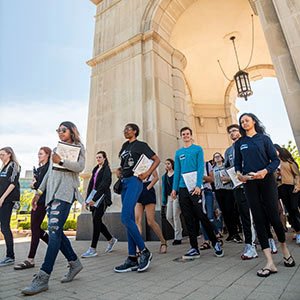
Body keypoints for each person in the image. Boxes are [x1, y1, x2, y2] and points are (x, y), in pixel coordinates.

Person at [22, 121, 85, 295]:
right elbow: (49, 173)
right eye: (58, 130)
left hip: (65, 194)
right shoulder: (55, 150)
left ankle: (43, 277)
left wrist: (62, 161)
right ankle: (74, 262)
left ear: (71, 131)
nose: (60, 132)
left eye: (63, 130)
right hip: (51, 196)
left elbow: (80, 167)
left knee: (54, 232)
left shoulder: (79, 146)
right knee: (56, 232)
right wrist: (38, 193)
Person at [235, 113, 295, 277]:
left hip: (267, 181)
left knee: (274, 217)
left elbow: (275, 161)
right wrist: (240, 175)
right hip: (250, 183)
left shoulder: (264, 139)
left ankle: (284, 249)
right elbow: (237, 166)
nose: (244, 122)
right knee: (259, 220)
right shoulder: (240, 143)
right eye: (242, 121)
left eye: (247, 120)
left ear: (253, 121)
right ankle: (269, 262)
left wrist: (264, 171)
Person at [171, 127, 224, 259]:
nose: (186, 136)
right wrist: (174, 189)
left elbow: (200, 167)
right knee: (188, 218)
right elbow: (177, 171)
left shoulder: (198, 149)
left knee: (201, 215)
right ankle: (194, 248)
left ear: (191, 135)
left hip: (195, 188)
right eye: (183, 134)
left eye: (188, 134)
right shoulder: (179, 153)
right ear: (181, 136)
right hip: (183, 188)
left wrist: (198, 185)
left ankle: (215, 242)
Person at [114, 123, 160, 273]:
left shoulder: (141, 145)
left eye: (128, 129)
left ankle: (144, 251)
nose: (125, 131)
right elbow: (124, 164)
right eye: (124, 129)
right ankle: (132, 258)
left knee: (125, 218)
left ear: (135, 131)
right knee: (129, 219)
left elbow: (156, 160)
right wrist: (119, 171)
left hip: (135, 181)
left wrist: (147, 174)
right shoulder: (124, 146)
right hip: (124, 182)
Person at [14, 147, 51, 270]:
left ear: (47, 155)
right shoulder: (40, 169)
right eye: (38, 153)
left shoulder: (49, 169)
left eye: (41, 154)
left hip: (44, 201)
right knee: (35, 228)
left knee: (35, 228)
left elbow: (44, 185)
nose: (38, 155)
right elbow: (37, 185)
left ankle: (30, 259)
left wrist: (35, 184)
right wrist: (33, 184)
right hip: (37, 200)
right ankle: (55, 246)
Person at [224, 124, 257, 259]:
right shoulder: (228, 151)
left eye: (235, 131)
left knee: (258, 214)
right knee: (245, 216)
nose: (232, 133)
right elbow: (228, 168)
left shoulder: (248, 143)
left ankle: (269, 239)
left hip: (252, 183)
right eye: (230, 132)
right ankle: (250, 245)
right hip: (238, 186)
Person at [81, 151, 117, 258]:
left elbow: (104, 185)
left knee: (96, 220)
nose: (98, 159)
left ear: (105, 158)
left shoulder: (107, 170)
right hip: (93, 197)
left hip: (102, 198)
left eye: (100, 157)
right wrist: (88, 199)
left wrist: (95, 199)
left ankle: (93, 249)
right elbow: (91, 185)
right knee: (97, 221)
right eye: (97, 157)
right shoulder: (95, 169)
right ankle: (111, 239)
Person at [212, 152, 243, 244]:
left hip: (228, 190)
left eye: (218, 156)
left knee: (231, 211)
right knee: (224, 212)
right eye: (215, 157)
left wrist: (228, 179)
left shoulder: (226, 166)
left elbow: (234, 177)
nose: (217, 158)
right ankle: (230, 233)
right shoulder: (213, 169)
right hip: (218, 190)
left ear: (222, 158)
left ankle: (235, 233)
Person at [135, 170, 167, 254]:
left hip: (148, 190)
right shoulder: (135, 162)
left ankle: (163, 242)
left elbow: (156, 177)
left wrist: (148, 187)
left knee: (150, 221)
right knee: (137, 220)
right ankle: (139, 246)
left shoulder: (150, 162)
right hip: (138, 190)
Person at [274, 144, 300, 244]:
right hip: (281, 187)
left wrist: (297, 186)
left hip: (292, 186)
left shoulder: (288, 161)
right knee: (289, 209)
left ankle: (298, 230)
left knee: (294, 208)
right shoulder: (273, 162)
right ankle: (297, 231)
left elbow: (297, 174)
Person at [0, 147, 21, 267]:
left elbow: (13, 183)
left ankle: (10, 256)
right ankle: (9, 256)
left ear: (9, 154)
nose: (0, 157)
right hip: (1, 200)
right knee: (3, 227)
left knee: (5, 227)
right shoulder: (3, 167)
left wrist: (2, 198)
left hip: (7, 200)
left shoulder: (14, 166)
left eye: (2, 154)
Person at [161, 158, 183, 245]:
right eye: (166, 164)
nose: (167, 165)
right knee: (168, 216)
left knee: (175, 215)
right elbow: (164, 189)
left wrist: (176, 192)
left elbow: (179, 184)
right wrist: (164, 200)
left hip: (176, 196)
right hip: (169, 197)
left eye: (168, 163)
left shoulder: (177, 174)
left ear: (172, 164)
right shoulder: (164, 176)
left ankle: (178, 237)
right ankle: (179, 230)